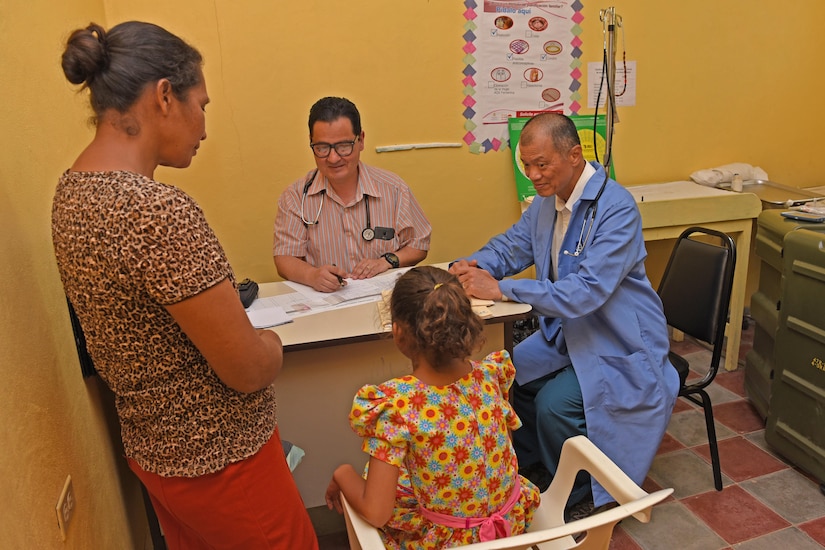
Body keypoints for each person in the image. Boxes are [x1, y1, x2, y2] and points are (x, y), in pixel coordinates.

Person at [53, 21, 318, 549]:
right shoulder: (154, 212)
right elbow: (244, 369)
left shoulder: (71, 192)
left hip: (156, 454)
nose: (203, 127)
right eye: (203, 105)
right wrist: (269, 343)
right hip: (222, 461)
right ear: (164, 97)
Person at [450, 112, 679, 514]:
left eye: (542, 164)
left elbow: (585, 292)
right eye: (526, 166)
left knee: (555, 404)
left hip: (617, 338)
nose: (533, 175)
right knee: (503, 374)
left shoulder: (616, 209)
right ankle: (536, 465)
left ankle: (579, 494)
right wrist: (473, 265)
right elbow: (511, 247)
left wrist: (501, 288)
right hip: (568, 333)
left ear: (574, 155)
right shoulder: (547, 203)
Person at [324, 266, 540, 548]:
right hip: (509, 529)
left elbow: (377, 512)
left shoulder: (396, 407)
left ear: (398, 332)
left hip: (450, 542)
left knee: (369, 482)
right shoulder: (490, 376)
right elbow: (496, 460)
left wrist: (341, 473)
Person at [273, 96, 432, 292]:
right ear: (311, 143)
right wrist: (312, 276)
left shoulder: (394, 189)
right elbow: (284, 258)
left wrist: (387, 261)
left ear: (361, 140)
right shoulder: (295, 197)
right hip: (327, 302)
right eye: (322, 148)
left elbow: (419, 244)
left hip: (384, 300)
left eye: (343, 146)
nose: (333, 158)